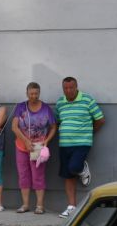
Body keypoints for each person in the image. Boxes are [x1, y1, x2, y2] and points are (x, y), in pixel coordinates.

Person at [55, 76, 105, 218]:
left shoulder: (87, 100)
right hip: (64, 144)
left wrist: (89, 133)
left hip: (82, 142)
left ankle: (82, 168)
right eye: (66, 88)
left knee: (74, 167)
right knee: (68, 175)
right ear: (63, 88)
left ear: (76, 87)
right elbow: (58, 120)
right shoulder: (60, 103)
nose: (69, 90)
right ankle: (71, 207)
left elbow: (100, 119)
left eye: (71, 87)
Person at [11, 82, 57, 214]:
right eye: (31, 93)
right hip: (22, 146)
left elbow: (54, 127)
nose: (34, 96)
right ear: (27, 93)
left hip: (38, 147)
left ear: (39, 93)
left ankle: (40, 205)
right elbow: (14, 127)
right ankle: (25, 204)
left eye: (36, 93)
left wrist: (46, 141)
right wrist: (25, 141)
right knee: (23, 175)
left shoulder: (46, 108)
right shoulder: (21, 107)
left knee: (38, 175)